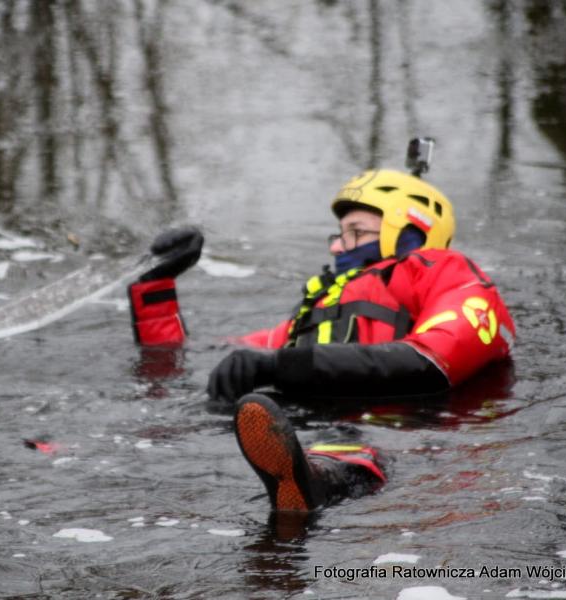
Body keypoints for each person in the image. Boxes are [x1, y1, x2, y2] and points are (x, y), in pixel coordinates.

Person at [127, 167, 516, 512]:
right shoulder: (319, 304)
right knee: (166, 428)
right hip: (303, 421)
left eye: (356, 232)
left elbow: (433, 361)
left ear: (409, 236)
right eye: (340, 233)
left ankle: (313, 482)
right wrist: (157, 287)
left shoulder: (443, 271)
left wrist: (280, 365)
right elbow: (171, 359)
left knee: (349, 443)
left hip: (387, 426)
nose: (336, 246)